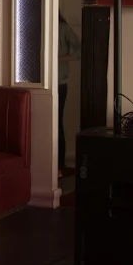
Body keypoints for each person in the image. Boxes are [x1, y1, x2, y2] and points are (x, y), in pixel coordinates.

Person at [57, 12, 80, 169]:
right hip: (39, 82)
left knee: (57, 122)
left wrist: (59, 59)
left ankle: (59, 163)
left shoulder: (63, 28)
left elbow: (79, 52)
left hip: (59, 81)